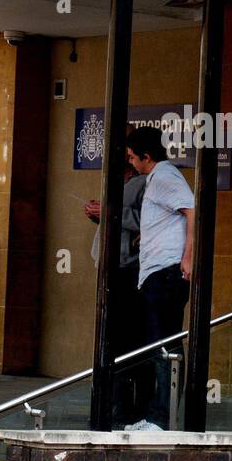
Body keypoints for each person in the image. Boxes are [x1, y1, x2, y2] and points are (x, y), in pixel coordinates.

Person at [124, 125, 194, 431]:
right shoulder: (157, 179)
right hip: (157, 273)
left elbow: (193, 211)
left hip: (166, 274)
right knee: (157, 345)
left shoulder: (165, 176)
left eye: (131, 157)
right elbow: (171, 218)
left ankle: (163, 418)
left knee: (165, 346)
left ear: (146, 156)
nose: (130, 162)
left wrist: (188, 257)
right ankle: (158, 414)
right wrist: (147, 234)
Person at [84, 144, 147, 426]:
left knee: (127, 339)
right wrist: (99, 214)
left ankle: (127, 406)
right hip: (110, 263)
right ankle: (111, 403)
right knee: (110, 338)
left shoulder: (145, 183)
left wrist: (111, 213)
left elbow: (149, 220)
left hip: (129, 267)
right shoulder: (118, 184)